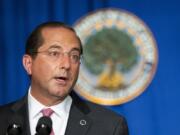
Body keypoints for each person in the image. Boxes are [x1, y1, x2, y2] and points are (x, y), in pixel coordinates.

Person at [0, 21, 129, 135]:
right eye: (54, 53)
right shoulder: (3, 119)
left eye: (74, 56)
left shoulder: (110, 126)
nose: (67, 65)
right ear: (28, 64)